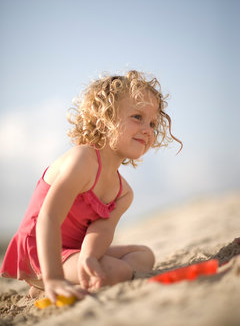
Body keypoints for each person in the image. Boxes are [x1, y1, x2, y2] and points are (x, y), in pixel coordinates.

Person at [0, 70, 182, 302]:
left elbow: (101, 232)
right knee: (119, 271)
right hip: (42, 249)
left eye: (153, 123)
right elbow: (49, 218)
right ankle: (50, 281)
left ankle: (72, 275)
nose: (148, 129)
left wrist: (88, 257)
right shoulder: (82, 160)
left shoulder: (123, 192)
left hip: (75, 252)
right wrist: (55, 277)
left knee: (144, 256)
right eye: (137, 117)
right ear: (104, 117)